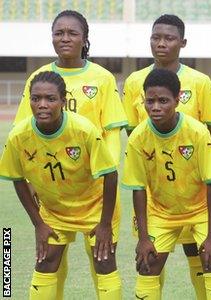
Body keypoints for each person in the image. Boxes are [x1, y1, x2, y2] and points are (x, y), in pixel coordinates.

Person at [13, 10, 127, 298]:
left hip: (95, 193)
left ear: (84, 39)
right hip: (54, 193)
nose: (65, 38)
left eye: (72, 33)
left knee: (102, 259)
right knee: (48, 258)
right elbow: (23, 135)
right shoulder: (37, 78)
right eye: (59, 33)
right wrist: (29, 180)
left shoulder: (101, 78)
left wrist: (103, 174)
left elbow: (112, 131)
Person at [122, 14, 211, 299]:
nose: (161, 43)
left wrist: (190, 159)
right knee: (150, 261)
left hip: (196, 191)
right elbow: (134, 133)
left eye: (168, 38)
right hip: (158, 196)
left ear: (182, 42)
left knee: (204, 258)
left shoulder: (200, 81)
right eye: (156, 37)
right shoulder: (134, 81)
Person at [0, 71, 121, 299]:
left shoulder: (83, 130)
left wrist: (105, 223)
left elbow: (111, 175)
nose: (42, 105)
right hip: (54, 210)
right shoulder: (19, 136)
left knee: (104, 262)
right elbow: (17, 178)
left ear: (63, 101)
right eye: (36, 99)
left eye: (50, 99)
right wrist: (38, 223)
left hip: (95, 207)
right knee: (45, 261)